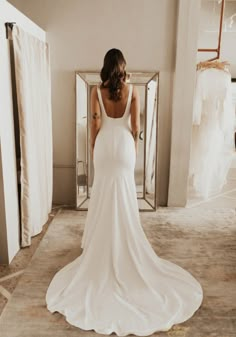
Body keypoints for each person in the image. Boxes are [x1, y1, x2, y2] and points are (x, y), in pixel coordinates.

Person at [46, 48, 203, 336]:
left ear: (105, 68)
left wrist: (95, 147)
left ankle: (102, 241)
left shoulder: (96, 90)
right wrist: (129, 146)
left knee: (103, 193)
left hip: (105, 145)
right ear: (123, 68)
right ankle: (124, 240)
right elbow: (135, 127)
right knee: (124, 196)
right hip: (124, 147)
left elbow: (94, 124)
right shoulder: (132, 90)